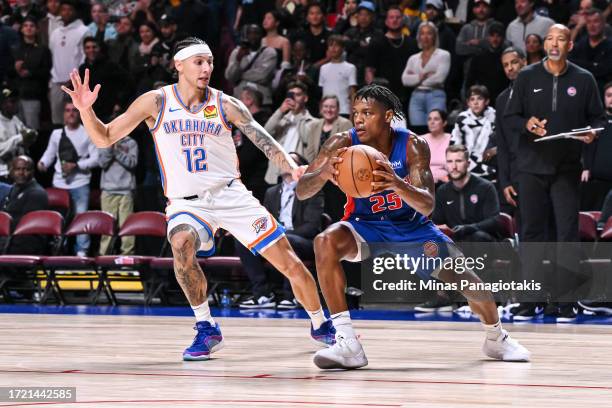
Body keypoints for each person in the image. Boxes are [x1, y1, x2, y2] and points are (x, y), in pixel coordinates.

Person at [61, 37, 335, 361]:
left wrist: (291, 168)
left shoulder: (225, 103)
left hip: (231, 196)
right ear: (179, 64)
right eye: (199, 62)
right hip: (186, 202)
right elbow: (103, 137)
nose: (207, 68)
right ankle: (206, 327)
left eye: (209, 62)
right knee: (180, 244)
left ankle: (322, 324)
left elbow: (263, 140)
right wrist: (86, 110)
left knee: (289, 263)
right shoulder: (156, 102)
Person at [297, 84, 530, 369]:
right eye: (356, 112)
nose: (358, 119)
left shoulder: (412, 145)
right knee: (325, 241)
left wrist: (396, 182)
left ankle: (496, 338)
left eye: (367, 113)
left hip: (411, 227)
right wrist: (324, 172)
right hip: (365, 224)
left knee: (467, 281)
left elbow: (428, 204)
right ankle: (347, 343)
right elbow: (302, 191)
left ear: (387, 116)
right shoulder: (341, 143)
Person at [504, 24, 604, 321]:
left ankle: (566, 302)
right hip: (531, 167)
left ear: (570, 45)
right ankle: (528, 299)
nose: (554, 43)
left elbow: (597, 118)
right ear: (544, 44)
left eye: (561, 38)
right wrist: (527, 124)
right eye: (549, 38)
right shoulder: (526, 76)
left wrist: (590, 134)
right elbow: (510, 116)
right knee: (532, 233)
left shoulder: (584, 79)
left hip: (566, 167)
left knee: (566, 234)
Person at [238, 152, 324, 309]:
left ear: (300, 168)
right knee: (243, 241)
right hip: (277, 237)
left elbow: (312, 226)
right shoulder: (271, 192)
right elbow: (264, 222)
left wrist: (282, 234)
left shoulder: (311, 190)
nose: (285, 164)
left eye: (291, 161)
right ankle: (263, 294)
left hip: (304, 241)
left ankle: (290, 296)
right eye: (283, 161)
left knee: (288, 240)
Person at [38, 101, 99, 256]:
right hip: (58, 184)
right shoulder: (56, 134)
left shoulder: (87, 133)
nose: (71, 113)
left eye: (74, 110)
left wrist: (76, 165)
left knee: (81, 217)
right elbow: (50, 154)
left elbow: (96, 159)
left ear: (79, 114)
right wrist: (42, 163)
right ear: (63, 114)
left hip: (80, 183)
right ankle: (59, 249)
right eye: (67, 110)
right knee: (58, 219)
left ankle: (81, 252)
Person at [434, 145, 501, 242]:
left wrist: (467, 228)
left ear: (468, 164)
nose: (454, 166)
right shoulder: (442, 191)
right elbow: (437, 222)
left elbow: (494, 221)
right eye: (450, 161)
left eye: (458, 161)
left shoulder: (486, 187)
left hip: (481, 241)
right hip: (454, 241)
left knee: (478, 237)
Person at [305, 95, 352, 222]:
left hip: (336, 175)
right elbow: (310, 152)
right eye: (326, 106)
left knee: (335, 211)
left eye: (332, 107)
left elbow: (344, 150)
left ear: (337, 109)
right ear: (321, 108)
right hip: (318, 175)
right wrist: (315, 171)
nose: (329, 110)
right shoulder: (314, 125)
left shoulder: (345, 124)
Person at [365, 6, 419, 108]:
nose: (394, 20)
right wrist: (373, 93)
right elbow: (369, 70)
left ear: (403, 20)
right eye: (391, 17)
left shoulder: (412, 43)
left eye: (398, 17)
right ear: (386, 21)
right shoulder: (376, 42)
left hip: (408, 95)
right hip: (383, 96)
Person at [401, 22, 451, 130]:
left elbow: (439, 78)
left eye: (429, 33)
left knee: (436, 131)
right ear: (418, 37)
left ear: (435, 36)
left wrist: (415, 79)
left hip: (436, 95)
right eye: (422, 34)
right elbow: (405, 80)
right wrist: (422, 77)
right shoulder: (413, 58)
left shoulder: (443, 55)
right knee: (418, 134)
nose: (425, 37)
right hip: (416, 98)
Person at [495, 47, 526, 217]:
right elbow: (502, 143)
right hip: (514, 171)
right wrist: (505, 181)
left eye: (514, 62)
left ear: (524, 61)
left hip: (538, 168)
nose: (510, 68)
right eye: (505, 65)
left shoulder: (538, 92)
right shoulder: (501, 100)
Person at [264, 81, 314, 185]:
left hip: (298, 174)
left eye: (298, 95)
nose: (294, 98)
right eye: (291, 95)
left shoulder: (313, 122)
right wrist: (281, 111)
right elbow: (265, 133)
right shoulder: (282, 120)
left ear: (305, 98)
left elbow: (307, 139)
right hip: (276, 173)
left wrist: (297, 114)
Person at [48, 0, 88, 126]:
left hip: (75, 84)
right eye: (63, 10)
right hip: (56, 83)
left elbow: (85, 59)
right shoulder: (55, 33)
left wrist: (76, 79)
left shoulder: (83, 31)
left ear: (75, 12)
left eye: (69, 10)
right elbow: (52, 57)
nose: (66, 13)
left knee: (75, 121)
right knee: (57, 121)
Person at [97, 133, 138, 255]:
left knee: (127, 227)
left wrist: (117, 152)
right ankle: (104, 256)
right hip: (108, 191)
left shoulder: (131, 143)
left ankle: (127, 257)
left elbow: (132, 163)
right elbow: (102, 163)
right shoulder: (103, 141)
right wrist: (110, 149)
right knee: (107, 227)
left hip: (126, 190)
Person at [0, 156, 49, 255]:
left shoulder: (36, 193)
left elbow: (27, 226)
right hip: (10, 238)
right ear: (11, 171)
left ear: (32, 172)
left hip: (26, 242)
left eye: (26, 169)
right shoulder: (13, 189)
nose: (21, 173)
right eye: (18, 169)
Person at [11, 16, 52, 131]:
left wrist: (30, 73)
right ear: (22, 29)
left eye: (32, 26)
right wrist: (15, 69)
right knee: (17, 130)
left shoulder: (43, 50)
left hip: (33, 95)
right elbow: (9, 71)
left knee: (32, 130)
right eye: (26, 26)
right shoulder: (16, 49)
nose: (28, 28)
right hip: (16, 95)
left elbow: (46, 71)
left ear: (37, 30)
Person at [78, 37, 132, 122]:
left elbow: (128, 82)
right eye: (88, 47)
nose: (91, 50)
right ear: (84, 50)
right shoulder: (82, 68)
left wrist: (119, 103)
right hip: (90, 113)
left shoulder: (110, 66)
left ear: (99, 48)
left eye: (94, 47)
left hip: (109, 113)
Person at [233, 86, 271, 202]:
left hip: (256, 180)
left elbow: (251, 154)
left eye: (241, 99)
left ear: (249, 101)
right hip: (242, 177)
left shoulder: (261, 122)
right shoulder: (241, 122)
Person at [225, 24, 278, 106]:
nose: (253, 36)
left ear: (262, 36)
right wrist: (238, 61)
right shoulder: (237, 52)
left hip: (262, 99)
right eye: (250, 33)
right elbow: (229, 76)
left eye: (256, 33)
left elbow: (262, 76)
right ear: (246, 36)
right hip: (239, 98)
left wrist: (240, 75)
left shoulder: (270, 52)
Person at [451, 85, 496, 178]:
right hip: (466, 164)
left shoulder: (494, 116)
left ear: (486, 101)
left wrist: (496, 149)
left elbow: (504, 139)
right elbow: (455, 143)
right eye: (472, 99)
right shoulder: (462, 118)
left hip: (489, 162)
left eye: (479, 99)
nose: (475, 102)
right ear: (468, 103)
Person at [581, 81, 612, 210]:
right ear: (603, 98)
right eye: (609, 95)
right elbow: (588, 146)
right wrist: (586, 168)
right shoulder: (596, 122)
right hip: (596, 180)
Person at [569, 8, 612, 95]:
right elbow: (570, 64)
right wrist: (593, 65)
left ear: (604, 24)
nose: (592, 25)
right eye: (589, 22)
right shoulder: (580, 45)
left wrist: (582, 65)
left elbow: (605, 70)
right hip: (579, 89)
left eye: (596, 21)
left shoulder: (610, 45)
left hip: (601, 91)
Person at [465, 22, 510, 104]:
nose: (495, 39)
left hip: (503, 98)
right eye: (492, 36)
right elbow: (470, 81)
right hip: (483, 98)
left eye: (498, 36)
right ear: (488, 37)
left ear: (503, 38)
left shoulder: (507, 57)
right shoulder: (479, 57)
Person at [0, 88, 37, 183]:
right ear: (3, 104)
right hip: (3, 171)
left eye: (16, 101)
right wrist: (19, 139)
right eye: (11, 102)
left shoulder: (15, 120)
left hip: (18, 169)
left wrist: (31, 135)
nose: (15, 105)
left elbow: (27, 135)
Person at [318, 35, 357, 117]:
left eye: (337, 45)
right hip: (326, 112)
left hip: (343, 111)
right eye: (331, 45)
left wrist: (352, 115)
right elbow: (323, 93)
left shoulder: (350, 68)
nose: (333, 48)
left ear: (342, 49)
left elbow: (353, 94)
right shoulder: (323, 68)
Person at [421, 109, 451, 186]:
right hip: (422, 183)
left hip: (445, 182)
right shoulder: (420, 140)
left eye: (436, 119)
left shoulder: (452, 139)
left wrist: (449, 177)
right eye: (429, 119)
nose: (432, 122)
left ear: (444, 123)